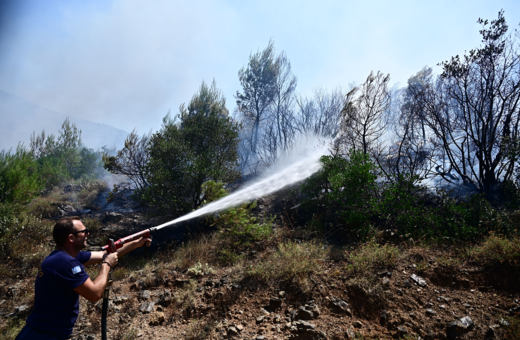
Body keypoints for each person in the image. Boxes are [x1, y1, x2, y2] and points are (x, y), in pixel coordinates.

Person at [16, 216, 152, 340]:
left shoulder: (65, 256)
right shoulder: (66, 263)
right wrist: (107, 265)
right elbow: (94, 294)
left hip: (41, 333)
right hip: (44, 336)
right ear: (71, 238)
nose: (88, 233)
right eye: (84, 231)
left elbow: (104, 254)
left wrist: (137, 243)